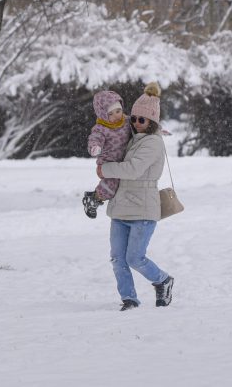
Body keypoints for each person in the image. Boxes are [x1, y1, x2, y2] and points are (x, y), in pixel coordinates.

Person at [97, 82, 174, 311]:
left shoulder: (152, 143)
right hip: (121, 206)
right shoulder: (133, 137)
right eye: (134, 119)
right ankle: (129, 299)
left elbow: (132, 169)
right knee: (117, 258)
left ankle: (163, 280)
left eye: (142, 120)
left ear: (152, 122)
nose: (136, 123)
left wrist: (105, 170)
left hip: (142, 209)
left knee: (135, 258)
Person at [82, 90, 131, 219]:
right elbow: (95, 138)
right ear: (103, 114)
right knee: (111, 185)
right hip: (108, 162)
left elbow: (142, 124)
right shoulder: (101, 128)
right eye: (110, 113)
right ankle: (93, 198)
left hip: (123, 161)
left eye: (118, 111)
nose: (116, 116)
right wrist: (95, 147)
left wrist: (155, 129)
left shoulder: (127, 121)